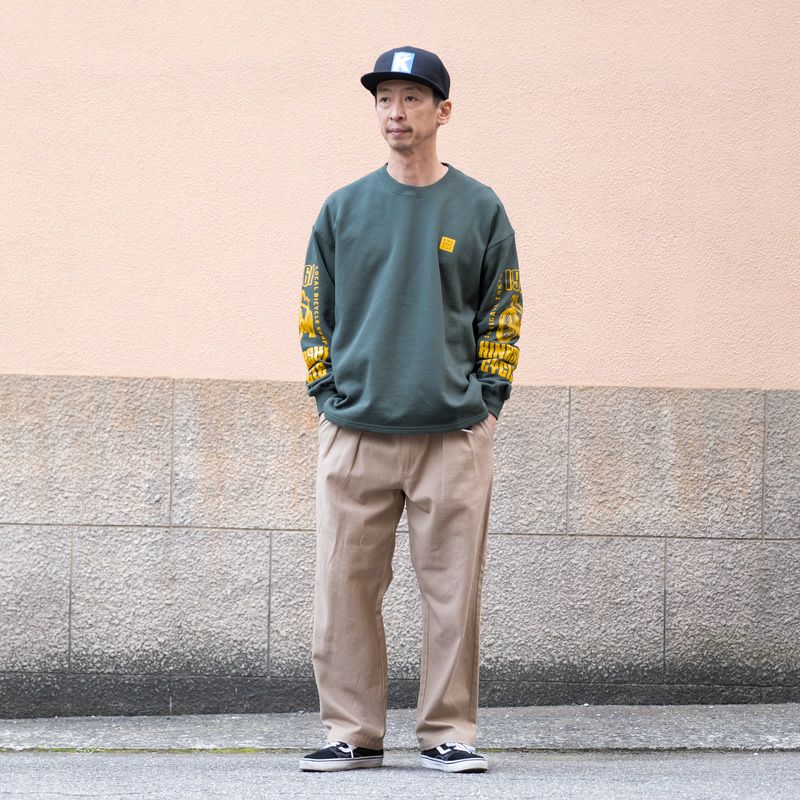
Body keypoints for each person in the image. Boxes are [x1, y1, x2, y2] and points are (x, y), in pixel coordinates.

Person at [297, 45, 523, 774]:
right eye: (384, 99)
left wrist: (487, 404)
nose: (395, 112)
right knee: (343, 589)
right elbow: (314, 311)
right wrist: (327, 397)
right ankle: (352, 731)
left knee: (453, 593)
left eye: (412, 98)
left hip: (451, 434)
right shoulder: (343, 208)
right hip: (356, 431)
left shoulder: (480, 208)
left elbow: (502, 314)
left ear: (442, 111)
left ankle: (448, 731)